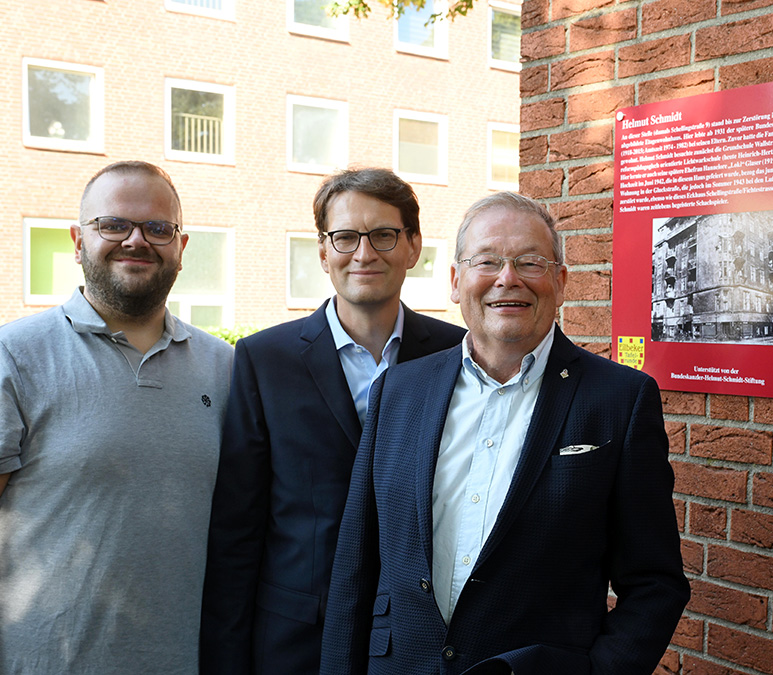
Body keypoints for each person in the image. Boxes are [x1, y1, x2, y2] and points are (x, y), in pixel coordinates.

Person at [320, 191, 689, 675]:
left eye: (530, 262)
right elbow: (355, 569)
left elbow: (655, 584)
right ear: (456, 281)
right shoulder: (398, 390)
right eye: (487, 261)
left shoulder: (620, 400)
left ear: (559, 281)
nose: (507, 279)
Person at [200, 168, 464, 674]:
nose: (363, 254)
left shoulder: (455, 354)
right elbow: (238, 529)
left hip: (418, 639)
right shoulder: (264, 359)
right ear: (323, 252)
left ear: (413, 247)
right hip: (296, 639)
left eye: (384, 235)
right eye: (345, 237)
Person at [0, 160, 233, 673]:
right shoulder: (13, 356)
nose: (136, 240)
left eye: (157, 228)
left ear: (181, 246)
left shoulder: (226, 368)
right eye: (113, 225)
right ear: (78, 240)